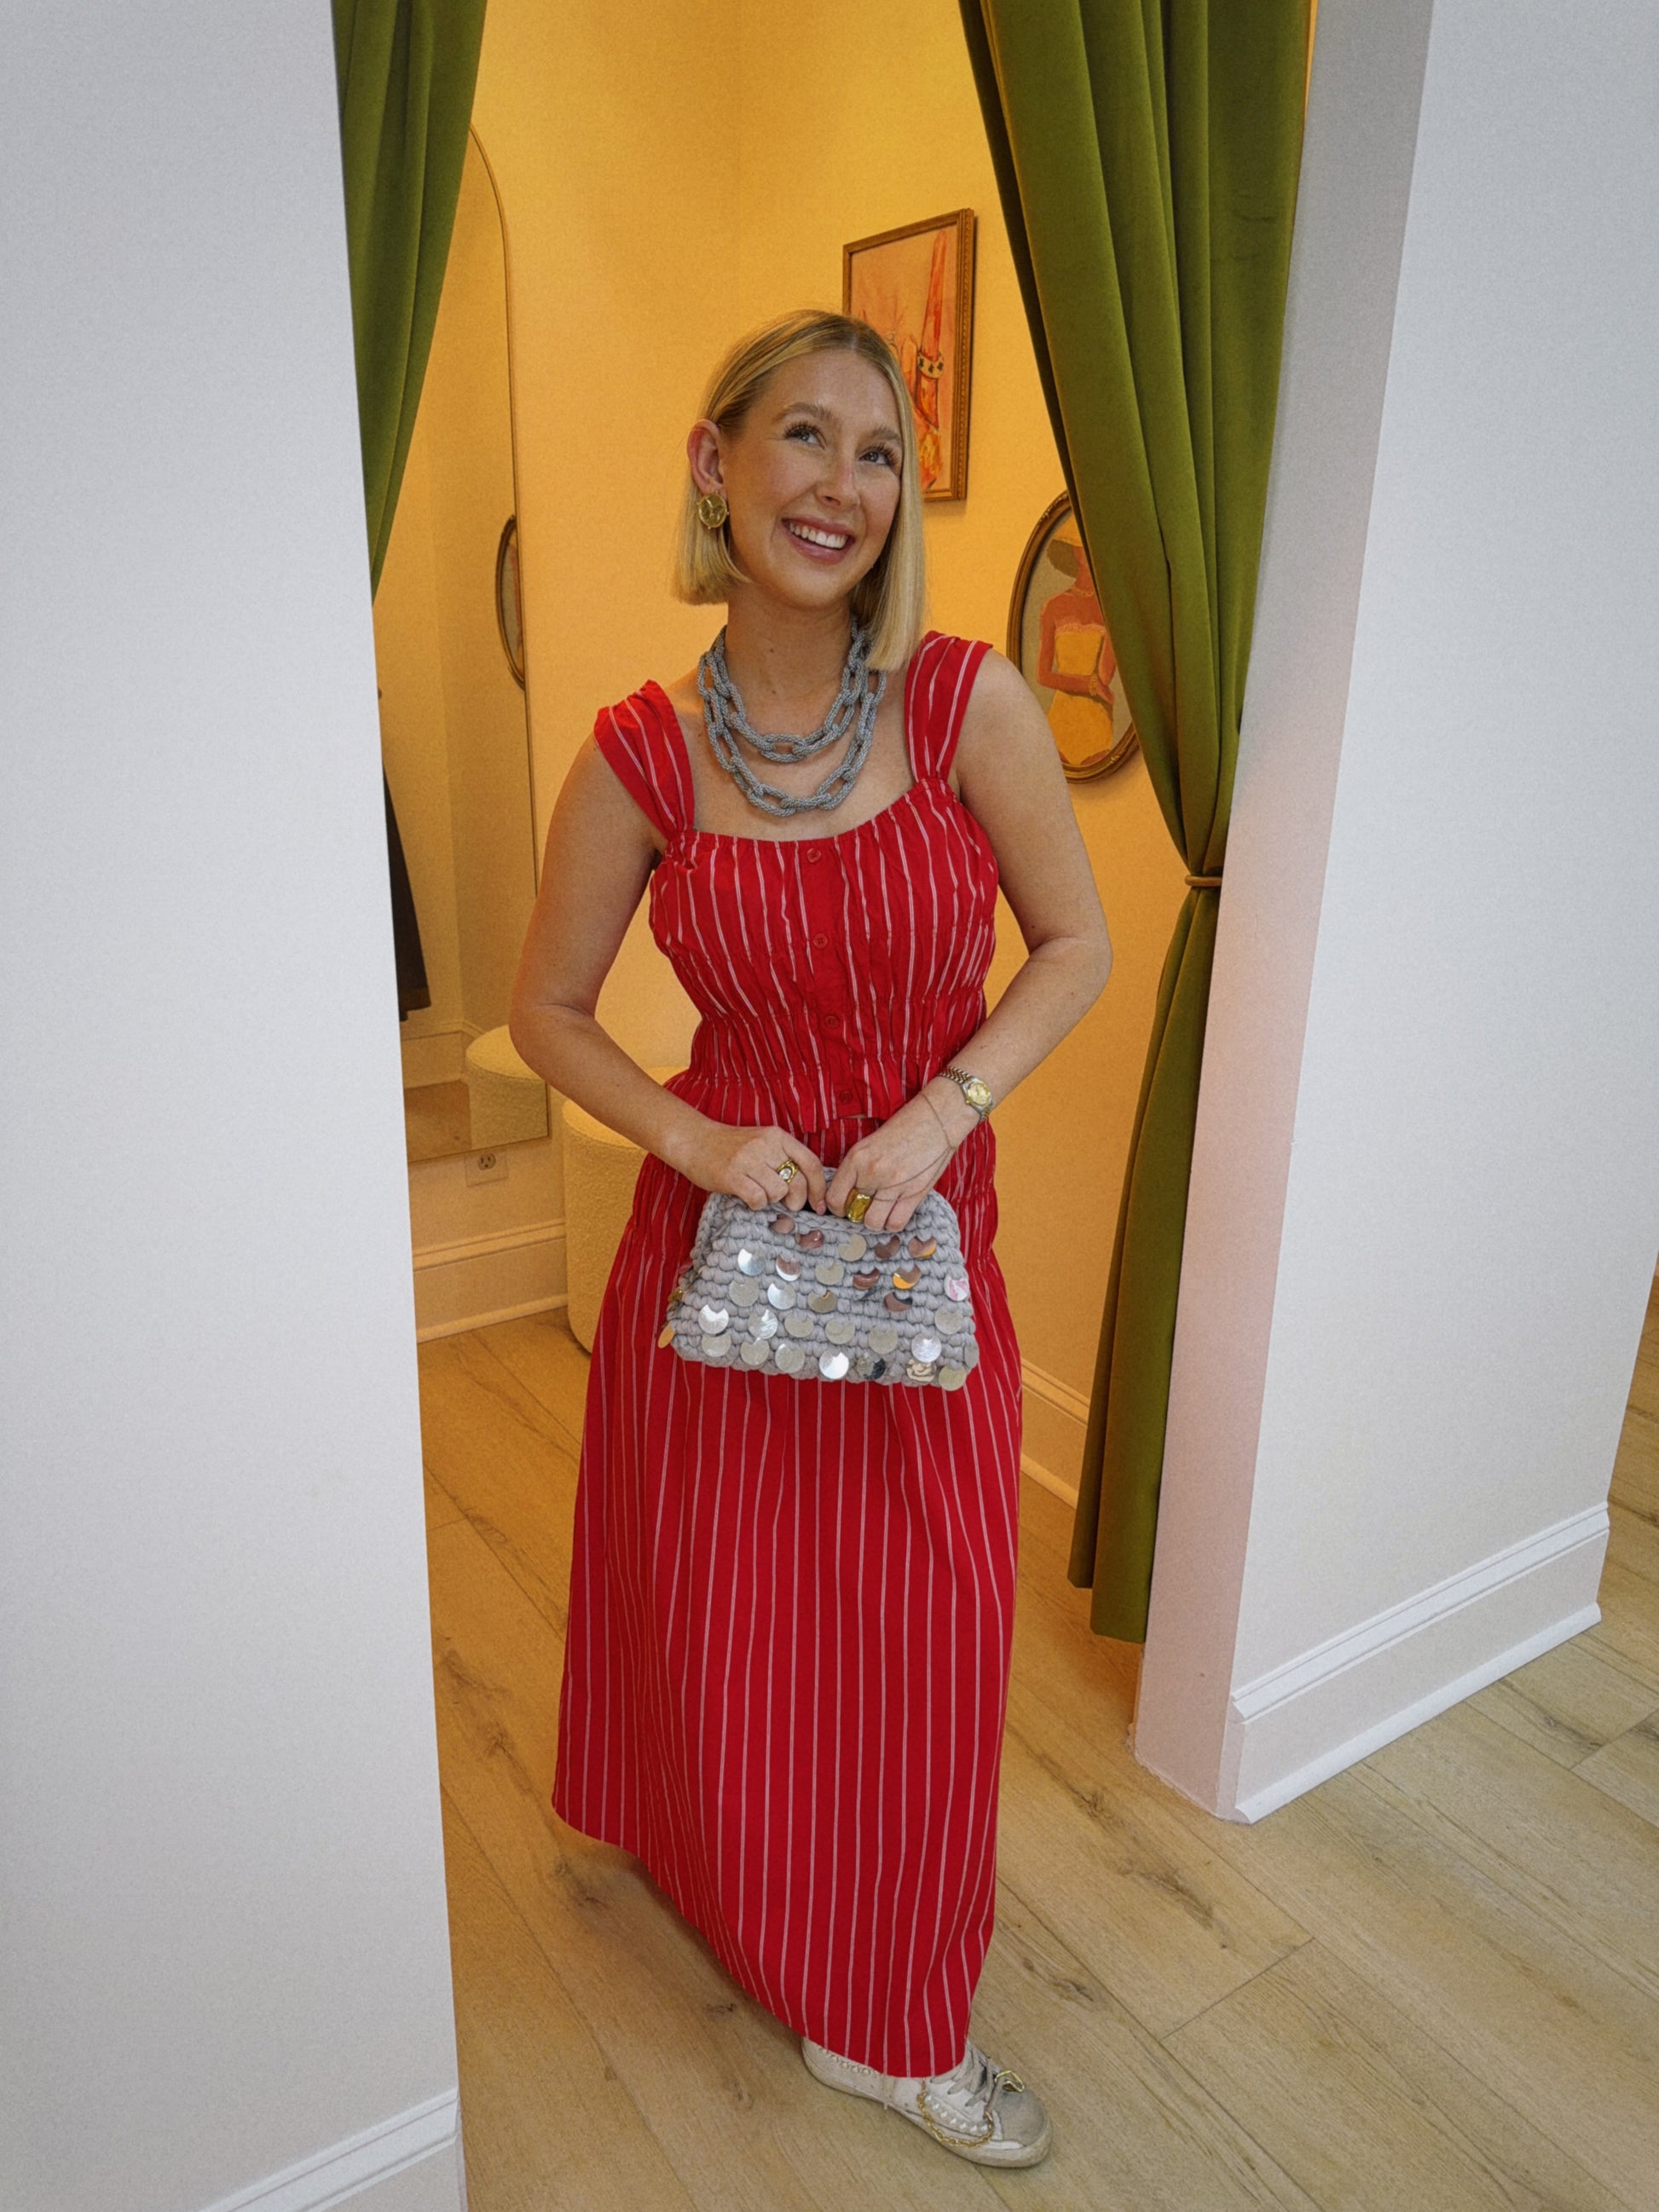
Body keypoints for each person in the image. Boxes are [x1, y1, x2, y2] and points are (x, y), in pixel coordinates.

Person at [509, 307, 1113, 2169]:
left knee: (922, 1640)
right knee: (726, 1622)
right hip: (722, 1259)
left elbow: (1075, 944)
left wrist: (943, 1109)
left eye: (877, 451)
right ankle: (731, 1887)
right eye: (802, 436)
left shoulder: (964, 705)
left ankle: (895, 2020)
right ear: (716, 464)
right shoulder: (635, 752)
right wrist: (695, 1135)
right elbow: (548, 1010)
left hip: (917, 1258)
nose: (840, 483)